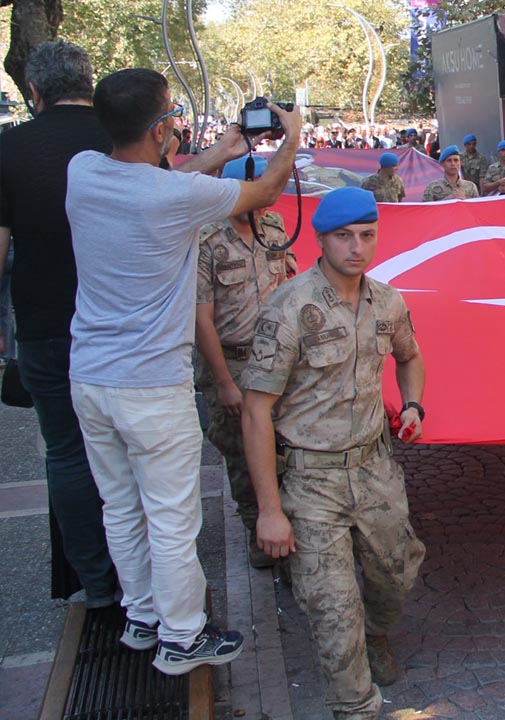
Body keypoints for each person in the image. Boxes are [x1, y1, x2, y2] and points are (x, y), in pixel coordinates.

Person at [65, 67, 301, 674]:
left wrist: (219, 153)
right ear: (161, 126)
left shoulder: (83, 172)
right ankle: (183, 636)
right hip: (150, 386)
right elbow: (267, 193)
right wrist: (293, 137)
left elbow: (156, 181)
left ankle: (143, 617)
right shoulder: (174, 197)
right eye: (171, 115)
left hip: (90, 377)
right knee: (172, 515)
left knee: (120, 507)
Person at [240, 187, 427, 720]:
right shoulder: (290, 308)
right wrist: (270, 511)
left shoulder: (388, 301)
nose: (357, 248)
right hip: (309, 481)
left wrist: (413, 405)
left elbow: (411, 357)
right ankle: (355, 704)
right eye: (344, 237)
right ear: (321, 240)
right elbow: (256, 413)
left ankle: (376, 634)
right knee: (331, 607)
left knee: (397, 574)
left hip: (374, 470)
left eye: (367, 235)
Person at [0, 40, 119, 609]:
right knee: (133, 453)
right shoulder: (123, 139)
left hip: (45, 328)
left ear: (34, 91)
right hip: (123, 327)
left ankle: (95, 583)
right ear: (90, 83)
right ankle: (141, 583)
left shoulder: (9, 148)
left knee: (67, 453)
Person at [194, 154, 295, 570]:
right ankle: (258, 531)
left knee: (285, 451)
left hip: (276, 356)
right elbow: (200, 319)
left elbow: (288, 283)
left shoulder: (274, 227)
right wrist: (223, 382)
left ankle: (288, 531)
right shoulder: (206, 240)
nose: (263, 201)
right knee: (241, 454)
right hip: (232, 362)